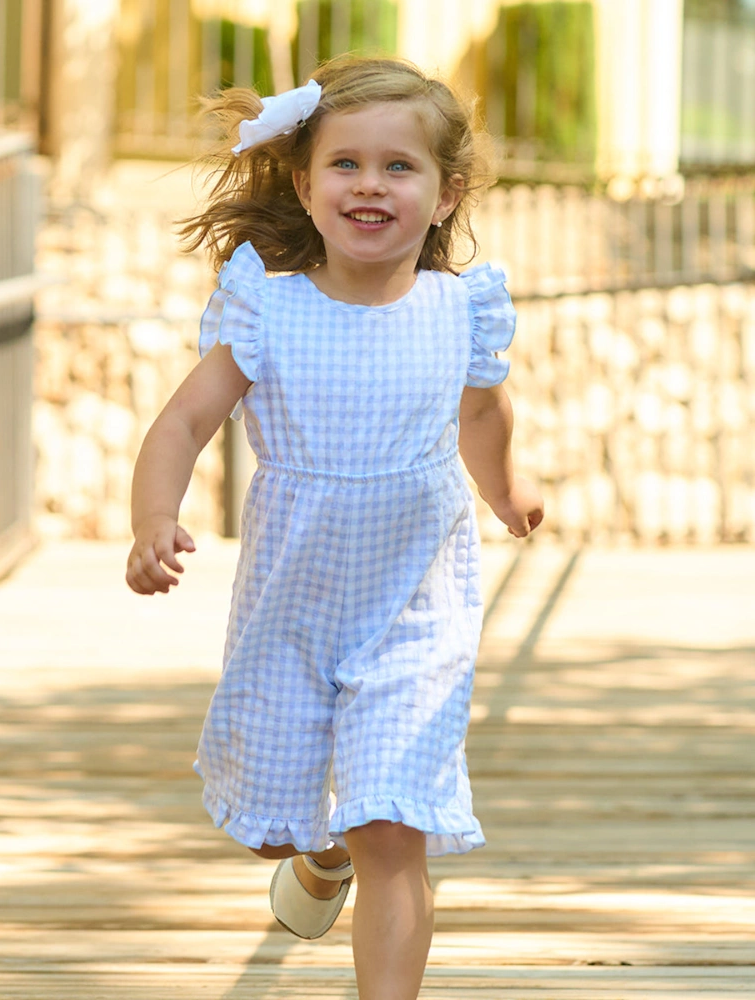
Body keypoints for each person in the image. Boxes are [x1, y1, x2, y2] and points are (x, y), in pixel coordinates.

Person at [126, 54, 543, 1000]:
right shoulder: (266, 309)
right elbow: (184, 422)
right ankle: (319, 858)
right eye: (346, 164)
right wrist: (155, 516)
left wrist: (506, 494)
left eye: (400, 166)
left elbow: (483, 418)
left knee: (393, 823)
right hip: (294, 608)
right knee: (285, 823)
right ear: (306, 184)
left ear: (446, 195)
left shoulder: (457, 310)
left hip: (417, 608)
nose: (370, 183)